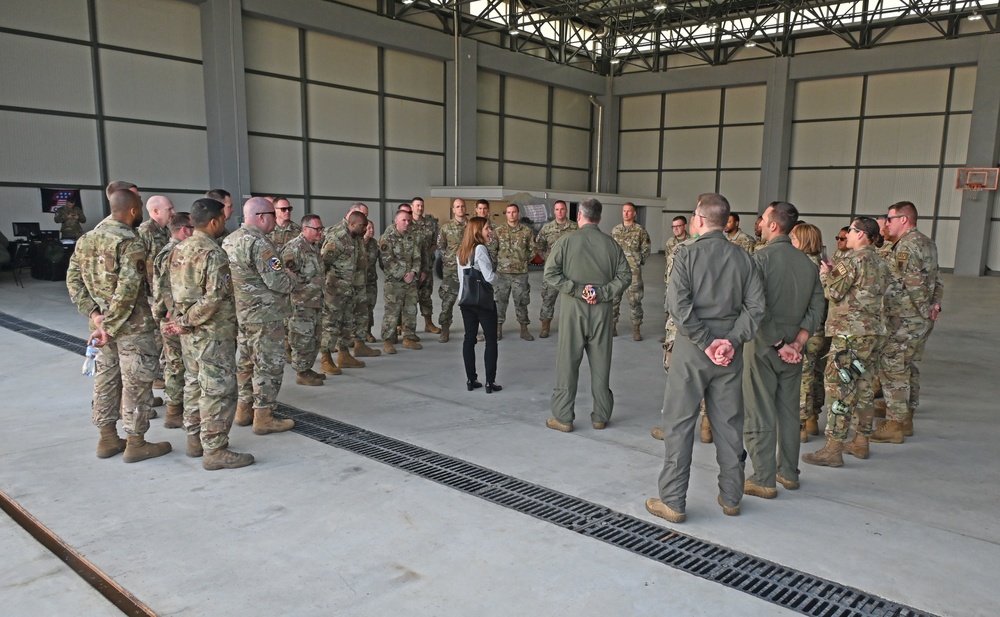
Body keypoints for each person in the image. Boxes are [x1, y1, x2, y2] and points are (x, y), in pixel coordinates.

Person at [645, 193, 765, 523]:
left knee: (680, 423)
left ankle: (673, 501)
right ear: (726, 221)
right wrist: (730, 341)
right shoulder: (744, 258)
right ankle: (731, 497)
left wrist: (706, 342)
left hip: (692, 350)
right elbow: (756, 308)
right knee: (728, 425)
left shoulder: (685, 255)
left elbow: (678, 308)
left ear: (699, 219)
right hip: (730, 352)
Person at [65, 189, 171, 462]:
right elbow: (127, 291)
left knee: (106, 380)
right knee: (136, 383)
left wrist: (96, 316)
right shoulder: (130, 242)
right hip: (132, 328)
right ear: (134, 212)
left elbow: (74, 283)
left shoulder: (86, 239)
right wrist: (109, 325)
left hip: (104, 329)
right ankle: (136, 443)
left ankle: (108, 439)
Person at [742, 202, 824, 498]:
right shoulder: (808, 264)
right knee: (789, 411)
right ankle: (788, 473)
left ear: (774, 225)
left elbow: (756, 306)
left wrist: (778, 343)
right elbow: (817, 306)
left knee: (758, 409)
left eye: (763, 218)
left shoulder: (758, 260)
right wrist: (798, 342)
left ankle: (763, 478)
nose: (760, 223)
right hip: (794, 346)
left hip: (764, 344)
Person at [164, 198, 253, 470]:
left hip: (190, 335)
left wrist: (180, 322)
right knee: (218, 390)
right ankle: (214, 449)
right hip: (212, 334)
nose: (224, 224)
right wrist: (187, 322)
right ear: (214, 222)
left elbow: (169, 290)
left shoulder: (179, 249)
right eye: (223, 220)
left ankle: (194, 440)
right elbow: (214, 298)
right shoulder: (213, 253)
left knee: (193, 383)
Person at [802, 217, 889, 467]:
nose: (846, 235)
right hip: (873, 333)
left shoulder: (852, 259)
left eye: (850, 230)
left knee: (839, 388)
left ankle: (834, 447)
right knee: (863, 387)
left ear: (861, 234)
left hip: (849, 333)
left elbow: (834, 292)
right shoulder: (880, 260)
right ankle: (861, 441)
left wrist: (826, 274)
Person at [544, 198, 631, 433]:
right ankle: (600, 416)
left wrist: (577, 290)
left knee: (567, 364)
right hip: (602, 310)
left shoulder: (565, 241)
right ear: (600, 218)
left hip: (574, 310)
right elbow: (625, 277)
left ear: (579, 216)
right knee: (601, 364)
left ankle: (563, 417)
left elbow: (550, 273)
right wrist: (601, 292)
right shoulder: (612, 244)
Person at [222, 197, 296, 435]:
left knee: (244, 363)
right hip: (265, 316)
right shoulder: (260, 244)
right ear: (263, 216)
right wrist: (291, 277)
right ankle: (263, 416)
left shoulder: (229, 240)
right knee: (268, 366)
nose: (275, 220)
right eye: (273, 215)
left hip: (242, 314)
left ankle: (243, 410)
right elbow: (279, 282)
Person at [874, 201, 943, 442]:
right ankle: (907, 417)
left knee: (894, 369)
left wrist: (924, 310)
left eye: (890, 219)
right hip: (919, 319)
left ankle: (894, 424)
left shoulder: (906, 247)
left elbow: (914, 284)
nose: (886, 223)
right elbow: (937, 279)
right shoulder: (927, 242)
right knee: (908, 365)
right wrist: (935, 305)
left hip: (905, 320)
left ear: (904, 219)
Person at [151, 212, 194, 429]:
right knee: (177, 364)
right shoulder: (177, 252)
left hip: (168, 315)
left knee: (173, 363)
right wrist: (173, 313)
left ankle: (174, 408)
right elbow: (167, 287)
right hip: (175, 317)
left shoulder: (164, 251)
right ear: (185, 229)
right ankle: (174, 411)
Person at [789, 223, 831, 443]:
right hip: (822, 327)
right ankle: (813, 416)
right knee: (816, 374)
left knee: (802, 375)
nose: (791, 241)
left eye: (794, 238)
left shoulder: (802, 265)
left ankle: (801, 424)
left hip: (806, 329)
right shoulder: (824, 264)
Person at [320, 206, 375, 373]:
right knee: (331, 324)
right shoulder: (338, 237)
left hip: (350, 289)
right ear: (352, 224)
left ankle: (343, 355)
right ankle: (325, 357)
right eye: (362, 226)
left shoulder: (355, 236)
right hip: (334, 290)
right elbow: (323, 262)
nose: (365, 230)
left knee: (346, 323)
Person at [281, 214, 327, 386]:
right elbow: (286, 278)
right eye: (317, 229)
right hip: (301, 304)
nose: (320, 232)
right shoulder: (294, 249)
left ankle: (307, 368)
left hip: (315, 302)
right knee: (302, 339)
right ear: (305, 229)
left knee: (314, 338)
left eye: (321, 228)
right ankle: (301, 372)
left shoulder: (313, 247)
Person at [457, 217, 500, 392]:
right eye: (487, 229)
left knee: (469, 339)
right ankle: (490, 382)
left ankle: (470, 380)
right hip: (483, 302)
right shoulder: (480, 249)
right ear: (477, 231)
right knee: (491, 341)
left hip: (466, 300)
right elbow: (489, 277)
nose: (490, 231)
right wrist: (498, 278)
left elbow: (462, 278)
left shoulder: (461, 250)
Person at [379, 209, 423, 353]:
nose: (407, 223)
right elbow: (387, 261)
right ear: (396, 221)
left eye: (409, 221)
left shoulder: (412, 237)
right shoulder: (387, 238)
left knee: (410, 310)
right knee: (392, 312)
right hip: (394, 282)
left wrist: (413, 272)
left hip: (410, 281)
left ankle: (408, 337)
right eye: (404, 220)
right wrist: (404, 274)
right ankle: (388, 340)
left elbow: (417, 257)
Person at [494, 203, 538, 341]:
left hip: (520, 274)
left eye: (514, 212)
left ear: (518, 214)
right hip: (503, 273)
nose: (511, 214)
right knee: (500, 301)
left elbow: (533, 250)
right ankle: (497, 329)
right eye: (508, 212)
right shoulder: (498, 231)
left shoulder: (526, 231)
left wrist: (523, 261)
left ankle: (524, 330)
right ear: (506, 214)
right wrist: (500, 262)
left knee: (522, 301)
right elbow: (492, 249)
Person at [535, 200, 578, 338]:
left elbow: (581, 245)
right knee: (548, 299)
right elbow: (539, 245)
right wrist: (547, 258)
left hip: (570, 270)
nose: (560, 212)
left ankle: (572, 327)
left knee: (573, 299)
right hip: (552, 271)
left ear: (566, 210)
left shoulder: (575, 228)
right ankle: (545, 326)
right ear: (554, 211)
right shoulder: (547, 228)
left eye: (562, 209)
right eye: (557, 209)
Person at [611, 202, 651, 340]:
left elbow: (646, 248)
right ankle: (612, 326)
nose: (626, 213)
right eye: (624, 211)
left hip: (633, 272)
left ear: (634, 213)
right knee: (614, 300)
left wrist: (638, 262)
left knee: (635, 301)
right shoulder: (615, 230)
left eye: (629, 211)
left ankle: (636, 329)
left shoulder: (640, 230)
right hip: (617, 271)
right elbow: (611, 250)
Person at [436, 198, 469, 343]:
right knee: (448, 301)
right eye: (457, 207)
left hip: (469, 270)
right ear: (453, 209)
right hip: (451, 270)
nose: (460, 209)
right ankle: (445, 329)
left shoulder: (472, 226)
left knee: (470, 302)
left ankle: (471, 330)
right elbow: (440, 245)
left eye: (462, 206)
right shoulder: (446, 227)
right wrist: (448, 258)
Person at [410, 197, 442, 334]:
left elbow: (436, 242)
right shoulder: (406, 222)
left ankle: (428, 323)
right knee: (408, 297)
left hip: (427, 266)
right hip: (410, 267)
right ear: (412, 207)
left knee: (426, 295)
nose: (420, 208)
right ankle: (405, 327)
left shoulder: (430, 224)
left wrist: (426, 254)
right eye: (417, 205)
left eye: (422, 206)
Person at [363, 220, 379, 342]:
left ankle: (368, 332)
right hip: (357, 282)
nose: (372, 231)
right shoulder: (356, 243)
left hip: (371, 281)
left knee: (370, 306)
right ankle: (354, 335)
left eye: (372, 228)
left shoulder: (375, 244)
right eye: (369, 228)